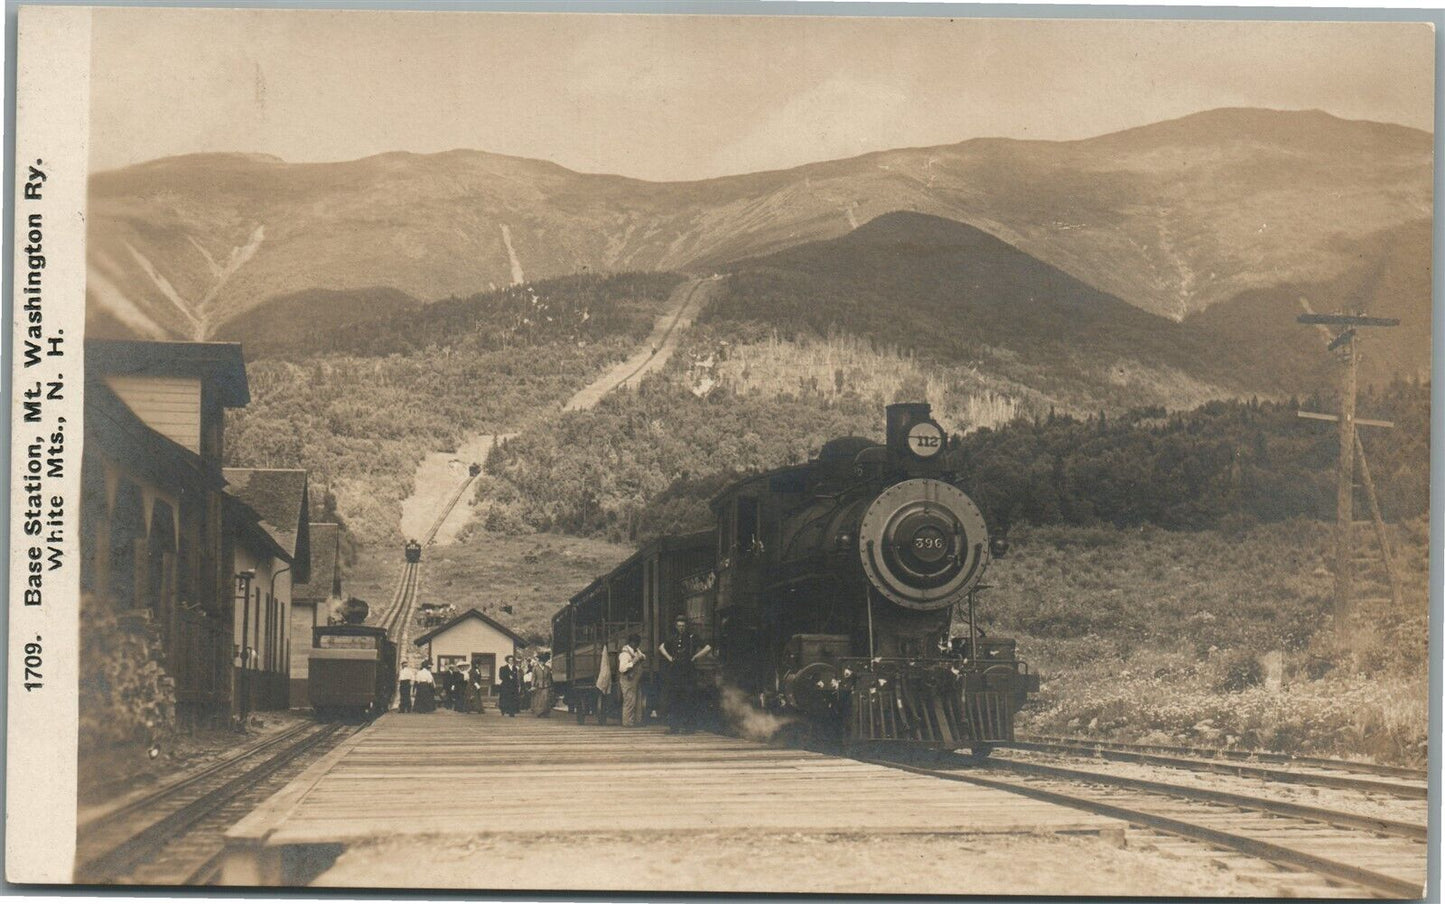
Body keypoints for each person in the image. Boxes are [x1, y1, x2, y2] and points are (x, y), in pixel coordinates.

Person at [660, 615, 711, 734]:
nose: (681, 628)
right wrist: (669, 658)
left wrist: (695, 657)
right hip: (675, 672)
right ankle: (674, 727)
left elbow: (708, 648)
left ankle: (689, 728)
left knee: (688, 699)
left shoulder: (692, 637)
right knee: (674, 699)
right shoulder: (672, 637)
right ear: (675, 626)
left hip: (688, 672)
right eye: (679, 626)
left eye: (683, 626)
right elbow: (661, 647)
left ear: (686, 626)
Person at [618, 634, 647, 727]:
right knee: (629, 701)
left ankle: (636, 721)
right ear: (631, 643)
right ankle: (627, 722)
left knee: (637, 701)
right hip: (627, 679)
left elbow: (642, 656)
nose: (637, 645)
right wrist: (633, 661)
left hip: (635, 679)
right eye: (636, 643)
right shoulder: (625, 654)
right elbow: (622, 668)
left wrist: (641, 656)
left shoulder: (636, 650)